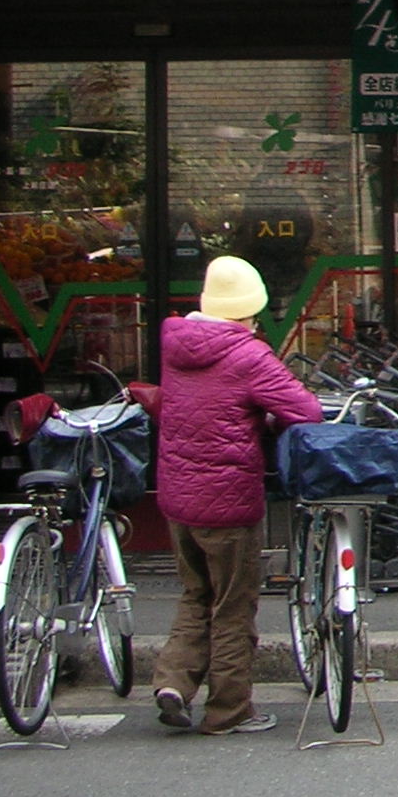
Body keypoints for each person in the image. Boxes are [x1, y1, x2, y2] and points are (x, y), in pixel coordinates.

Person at [151, 255, 323, 735]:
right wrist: (266, 420)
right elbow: (305, 410)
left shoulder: (175, 344)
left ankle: (173, 682)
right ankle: (229, 710)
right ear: (250, 308)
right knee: (232, 605)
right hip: (226, 502)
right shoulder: (246, 354)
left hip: (178, 499)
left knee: (195, 595)